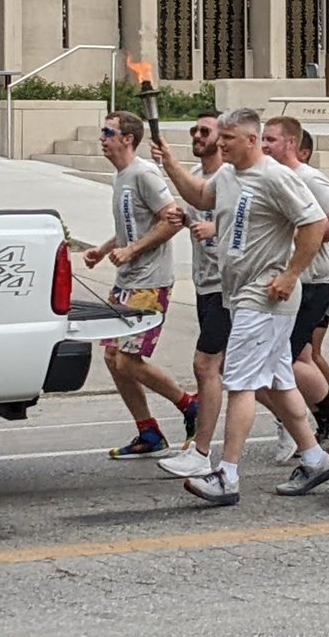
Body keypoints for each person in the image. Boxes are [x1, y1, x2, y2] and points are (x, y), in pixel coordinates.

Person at [152, 109, 329, 503]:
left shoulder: (275, 176)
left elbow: (316, 223)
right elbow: (200, 196)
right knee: (277, 381)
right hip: (240, 294)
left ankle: (227, 475)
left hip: (265, 295)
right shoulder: (228, 175)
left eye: (228, 138)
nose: (220, 144)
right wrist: (170, 163)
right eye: (220, 138)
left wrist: (291, 274)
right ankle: (316, 458)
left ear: (252, 140)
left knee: (239, 384)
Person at [87, 111, 198, 459]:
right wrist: (103, 250)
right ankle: (148, 431)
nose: (102, 138)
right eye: (103, 131)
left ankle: (189, 404)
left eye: (109, 132)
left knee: (128, 361)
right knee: (112, 357)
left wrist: (132, 250)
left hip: (150, 281)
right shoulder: (121, 177)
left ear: (128, 139)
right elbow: (132, 225)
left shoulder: (144, 174)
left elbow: (173, 219)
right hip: (127, 280)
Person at [259, 116, 329, 455]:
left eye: (271, 140)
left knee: (281, 360)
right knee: (300, 357)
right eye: (262, 139)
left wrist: (294, 232)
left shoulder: (309, 178)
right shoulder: (271, 177)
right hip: (288, 284)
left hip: (312, 282)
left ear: (291, 143)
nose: (264, 145)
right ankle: (321, 419)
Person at [157, 112, 235, 479]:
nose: (197, 135)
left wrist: (214, 227)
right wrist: (185, 221)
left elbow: (247, 220)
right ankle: (313, 426)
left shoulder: (232, 177)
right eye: (194, 130)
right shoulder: (197, 176)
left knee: (206, 365)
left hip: (227, 285)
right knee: (239, 371)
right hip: (204, 283)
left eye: (205, 131)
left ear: (223, 138)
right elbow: (196, 206)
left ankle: (200, 451)